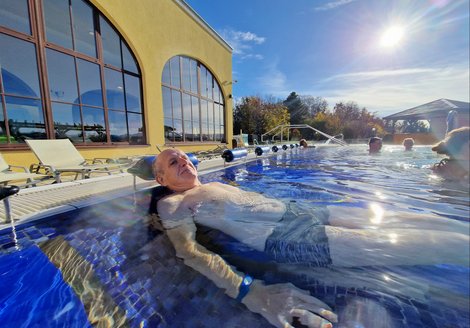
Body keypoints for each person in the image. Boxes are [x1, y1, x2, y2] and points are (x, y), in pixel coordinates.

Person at [152, 149, 469, 328]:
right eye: (172, 162)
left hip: (303, 210)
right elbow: (189, 252)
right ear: (161, 178)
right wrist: (251, 292)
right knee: (440, 245)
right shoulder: (173, 203)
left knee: (432, 222)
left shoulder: (210, 185)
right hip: (291, 236)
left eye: (183, 157)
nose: (182, 161)